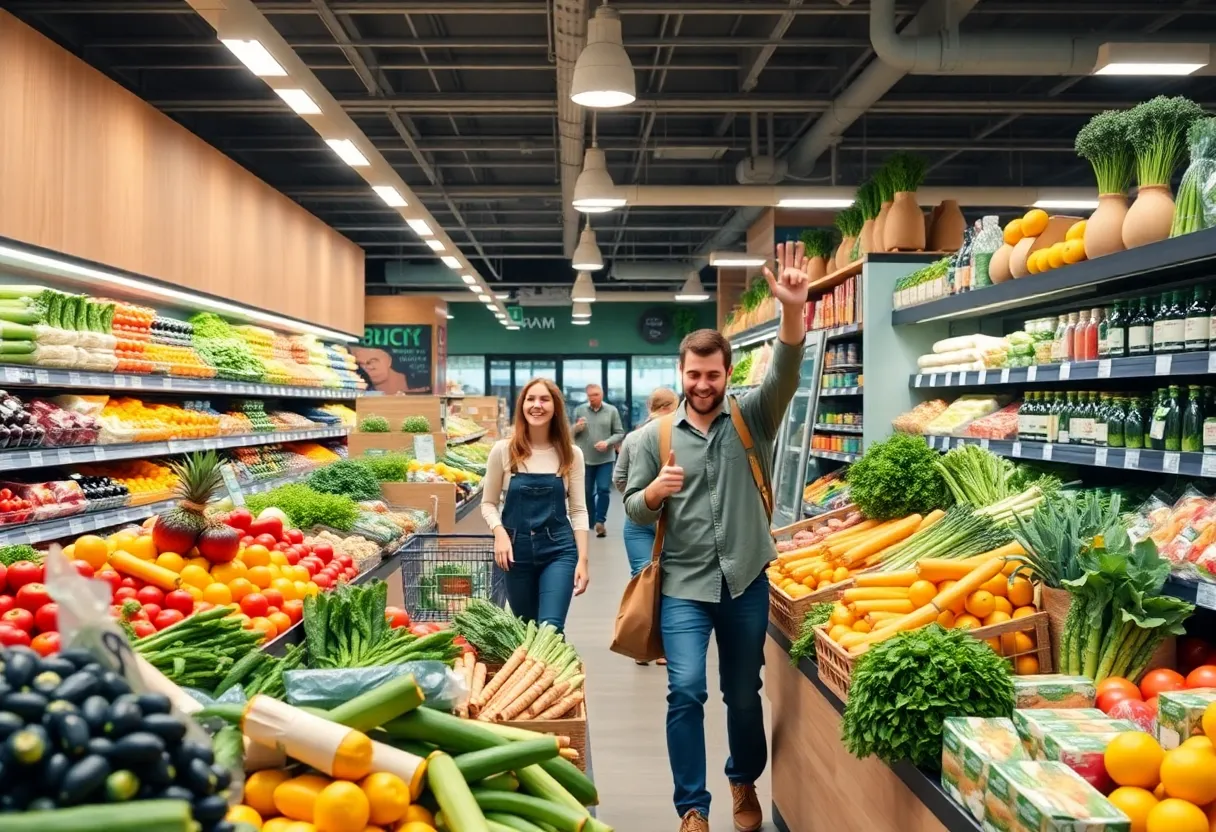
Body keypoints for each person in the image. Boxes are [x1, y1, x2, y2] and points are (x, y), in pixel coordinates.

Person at [624, 242, 811, 832]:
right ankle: (692, 808)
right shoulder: (652, 438)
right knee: (684, 691)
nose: (702, 384)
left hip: (747, 580)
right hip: (681, 585)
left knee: (742, 693)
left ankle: (742, 779)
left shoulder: (753, 417)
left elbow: (785, 368)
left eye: (712, 374)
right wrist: (655, 494)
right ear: (680, 375)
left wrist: (791, 309)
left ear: (728, 374)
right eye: (693, 374)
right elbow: (632, 511)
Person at [481, 377, 590, 632]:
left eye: (544, 399)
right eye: (530, 399)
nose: (536, 405)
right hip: (514, 552)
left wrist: (583, 559)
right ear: (521, 406)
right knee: (525, 629)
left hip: (559, 550)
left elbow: (578, 510)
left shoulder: (571, 454)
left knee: (550, 629)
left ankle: (555, 670)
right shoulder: (503, 451)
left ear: (556, 407)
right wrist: (499, 533)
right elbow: (488, 503)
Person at [613, 386, 679, 666]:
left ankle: (641, 645)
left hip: (637, 523)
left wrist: (637, 498)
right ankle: (662, 648)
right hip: (673, 521)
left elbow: (619, 478)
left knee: (644, 580)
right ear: (667, 408)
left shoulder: (633, 437)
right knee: (669, 582)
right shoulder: (681, 436)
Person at [571, 384, 625, 538]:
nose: (592, 398)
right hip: (585, 459)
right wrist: (577, 427)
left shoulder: (611, 411)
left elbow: (619, 433)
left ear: (601, 394)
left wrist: (607, 442)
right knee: (587, 491)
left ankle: (600, 521)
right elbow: (569, 432)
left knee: (603, 489)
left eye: (595, 395)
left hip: (605, 459)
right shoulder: (579, 410)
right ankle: (591, 520)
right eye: (590, 396)